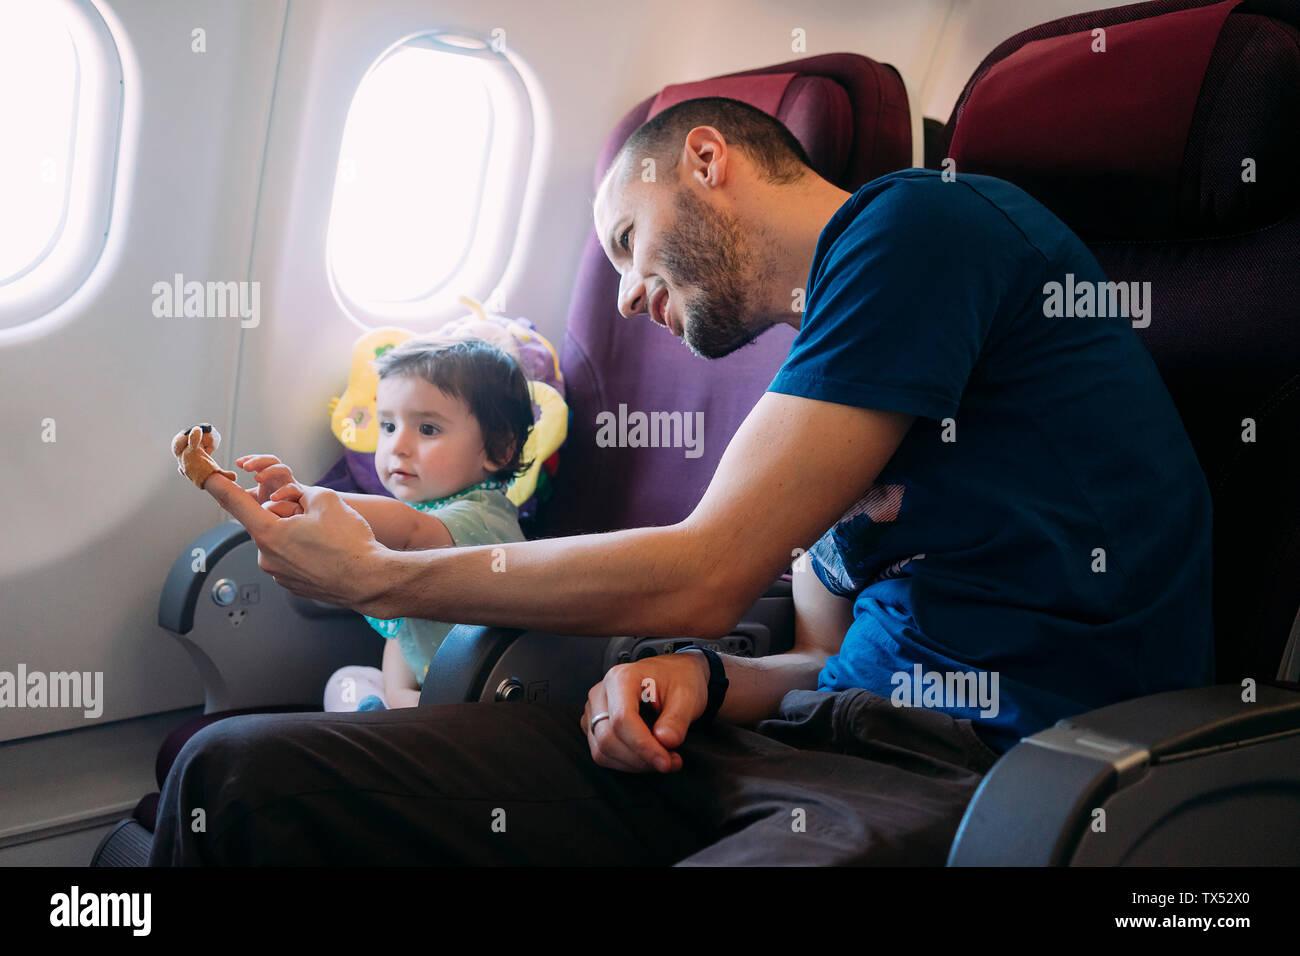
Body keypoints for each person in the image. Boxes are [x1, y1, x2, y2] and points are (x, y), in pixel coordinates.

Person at [149, 97, 1212, 865]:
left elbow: (707, 569)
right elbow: (820, 655)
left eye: (625, 240)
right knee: (236, 779)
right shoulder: (830, 381)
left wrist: (379, 574)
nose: (618, 297)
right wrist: (699, 675)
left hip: (983, 771)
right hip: (781, 739)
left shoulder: (921, 225)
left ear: (705, 159)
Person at [236, 336, 532, 711]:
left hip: (481, 691)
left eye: (427, 429)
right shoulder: (432, 508)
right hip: (428, 687)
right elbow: (405, 630)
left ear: (499, 449)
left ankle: (381, 724)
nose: (397, 446)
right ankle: (381, 716)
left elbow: (411, 531)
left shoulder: (483, 515)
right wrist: (396, 693)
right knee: (345, 682)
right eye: (388, 427)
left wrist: (309, 497)